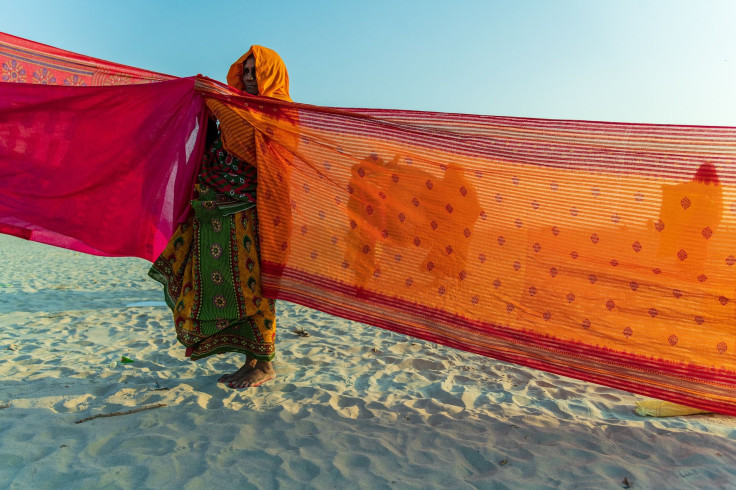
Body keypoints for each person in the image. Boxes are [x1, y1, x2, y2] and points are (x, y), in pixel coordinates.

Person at [149, 46, 291, 388]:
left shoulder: (280, 114)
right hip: (213, 213)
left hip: (251, 218)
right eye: (245, 70)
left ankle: (265, 364)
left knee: (256, 289)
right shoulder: (233, 108)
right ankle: (251, 360)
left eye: (257, 71)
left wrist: (216, 101)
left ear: (271, 75)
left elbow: (247, 143)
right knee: (228, 289)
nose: (248, 77)